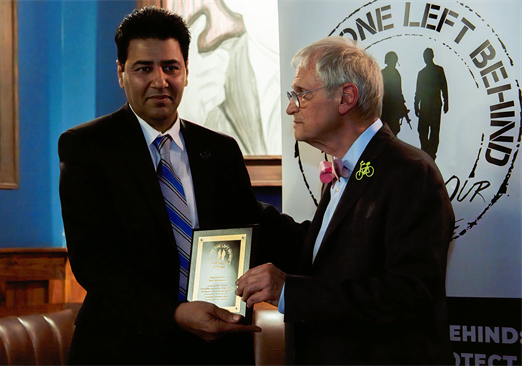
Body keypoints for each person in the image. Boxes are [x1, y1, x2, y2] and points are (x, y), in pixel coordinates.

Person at [59, 7, 261, 366]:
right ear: (120, 73)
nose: (160, 80)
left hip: (214, 349)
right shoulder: (87, 147)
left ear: (186, 72)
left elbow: (249, 229)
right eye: (143, 68)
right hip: (124, 348)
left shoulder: (220, 151)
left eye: (171, 67)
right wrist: (174, 312)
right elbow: (94, 261)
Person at [236, 36, 455, 366]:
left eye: (301, 94)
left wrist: (290, 292)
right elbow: (333, 257)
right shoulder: (347, 169)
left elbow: (408, 295)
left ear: (346, 97)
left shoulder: (410, 172)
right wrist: (239, 207)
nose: (290, 107)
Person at [414, 47, 449, 160]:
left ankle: (431, 153)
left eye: (427, 56)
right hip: (427, 105)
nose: (426, 58)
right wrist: (416, 105)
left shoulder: (438, 70)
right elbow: (418, 91)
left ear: (431, 56)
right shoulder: (422, 73)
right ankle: (427, 150)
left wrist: (446, 101)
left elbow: (444, 87)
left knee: (433, 130)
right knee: (423, 130)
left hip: (433, 105)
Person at [381, 51, 410, 136]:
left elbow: (398, 93)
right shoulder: (395, 74)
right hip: (389, 109)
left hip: (386, 109)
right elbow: (398, 93)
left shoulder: (382, 73)